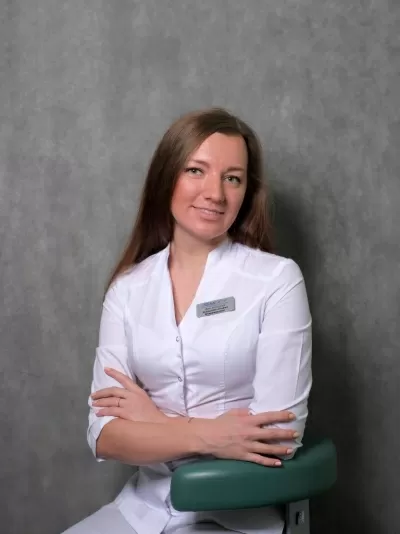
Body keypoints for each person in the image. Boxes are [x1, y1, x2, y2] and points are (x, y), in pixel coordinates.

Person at [63, 108, 312, 534]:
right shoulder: (127, 290)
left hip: (236, 515)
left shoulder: (277, 280)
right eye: (196, 170)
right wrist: (211, 435)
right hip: (141, 510)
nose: (215, 193)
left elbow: (276, 439)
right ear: (167, 178)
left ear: (246, 192)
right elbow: (105, 435)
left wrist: (154, 422)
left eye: (232, 178)